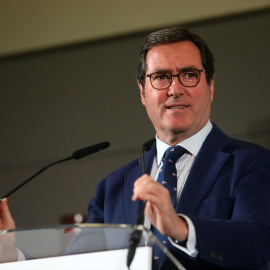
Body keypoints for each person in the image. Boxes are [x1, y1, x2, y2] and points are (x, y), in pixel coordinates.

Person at [1, 27, 270, 270]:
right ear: (143, 92)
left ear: (210, 86)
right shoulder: (114, 187)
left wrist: (180, 227)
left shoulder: (252, 164)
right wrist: (12, 255)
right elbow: (79, 266)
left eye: (189, 75)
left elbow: (259, 242)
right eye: (161, 77)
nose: (175, 89)